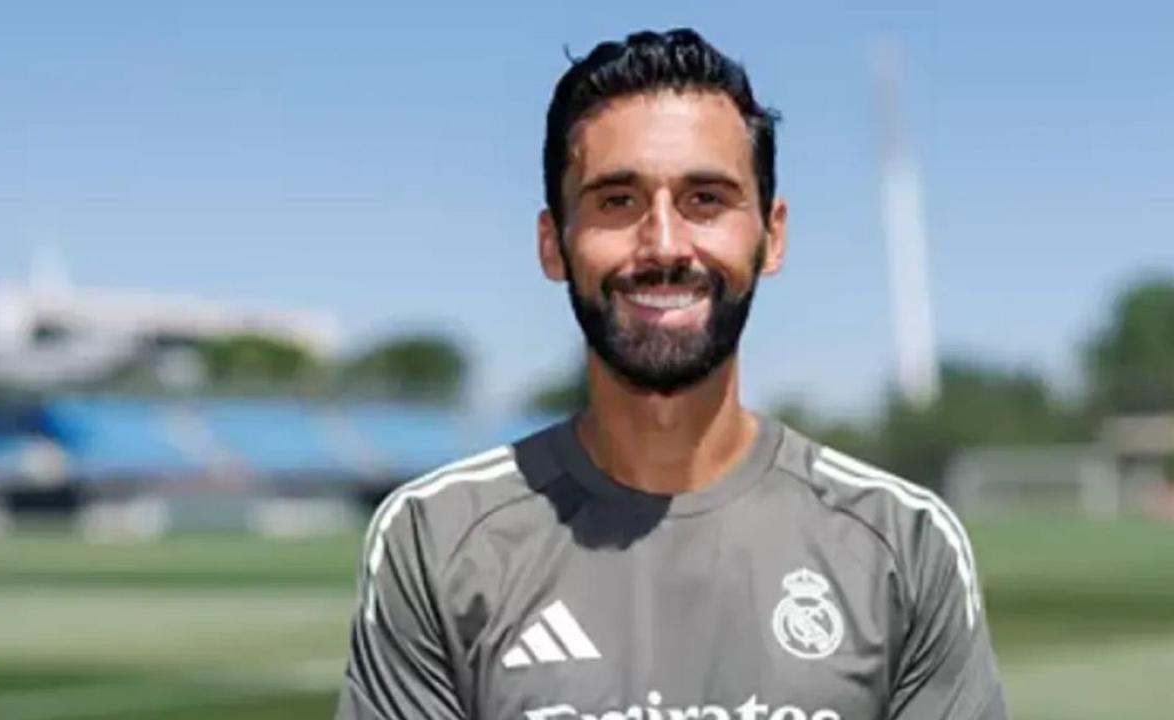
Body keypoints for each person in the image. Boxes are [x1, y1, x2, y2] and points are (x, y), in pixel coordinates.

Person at [336, 28, 1006, 720]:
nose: (662, 245)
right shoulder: (437, 540)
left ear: (772, 236)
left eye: (705, 199)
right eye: (617, 201)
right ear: (553, 244)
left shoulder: (902, 544)